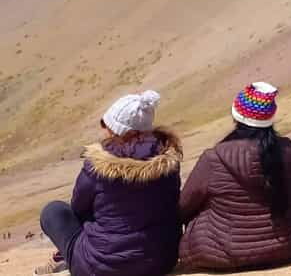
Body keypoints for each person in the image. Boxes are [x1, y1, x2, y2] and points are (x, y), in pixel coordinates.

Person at [34, 91, 182, 276]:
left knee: (53, 211)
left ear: (117, 131)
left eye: (106, 124)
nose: (104, 129)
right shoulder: (168, 162)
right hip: (160, 261)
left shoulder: (98, 166)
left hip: (103, 267)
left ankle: (64, 259)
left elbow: (78, 209)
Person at [178, 82, 291, 270]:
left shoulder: (213, 158)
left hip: (223, 254)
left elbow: (184, 206)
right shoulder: (289, 150)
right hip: (288, 248)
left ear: (236, 116)